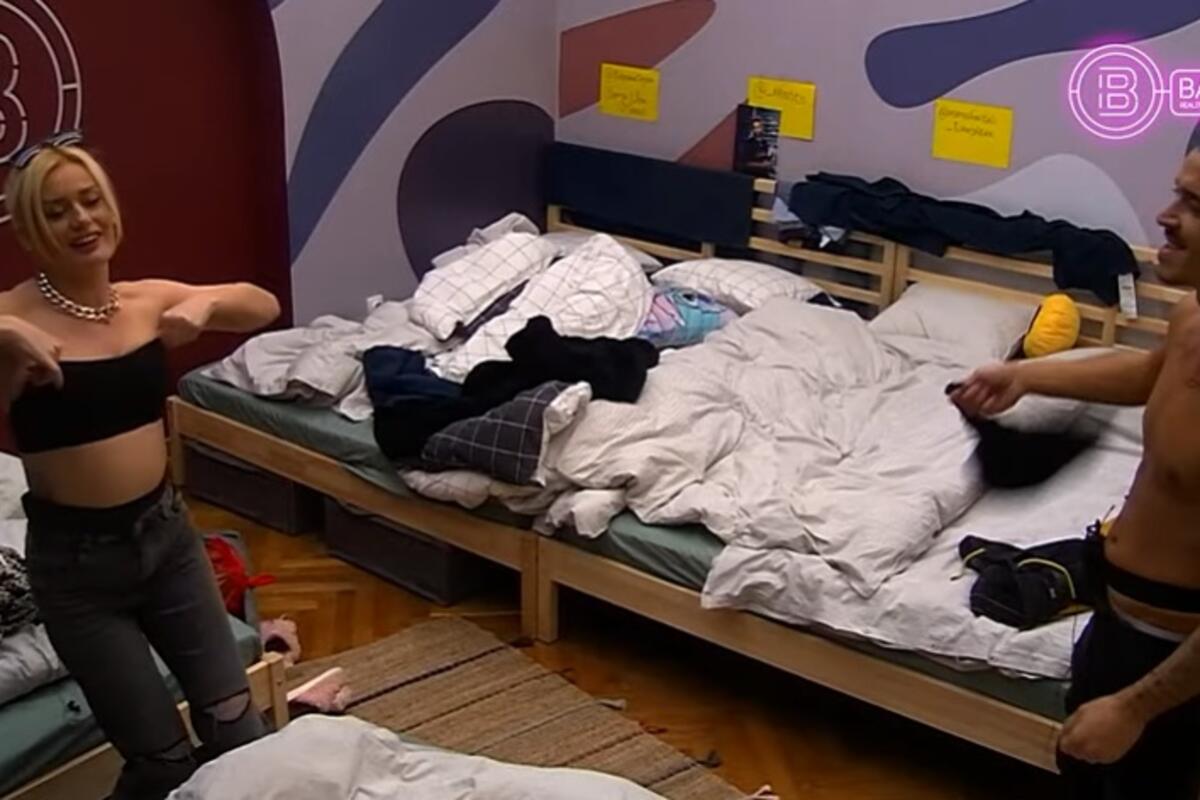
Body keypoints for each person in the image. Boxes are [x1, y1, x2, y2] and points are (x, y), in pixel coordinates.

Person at [0, 131, 281, 799]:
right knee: (163, 766)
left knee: (239, 732)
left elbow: (262, 304)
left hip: (169, 542)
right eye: (58, 212)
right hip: (79, 571)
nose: (82, 220)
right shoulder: (13, 315)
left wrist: (205, 304)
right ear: (31, 231)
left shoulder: (143, 300)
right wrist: (5, 334)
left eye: (90, 201)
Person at [951, 148, 1200, 798]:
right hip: (1118, 618)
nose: (1165, 215)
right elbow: (1148, 375)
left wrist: (1136, 707)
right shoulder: (1194, 314)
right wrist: (1024, 375)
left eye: (1195, 205)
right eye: (1177, 192)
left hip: (1174, 665)